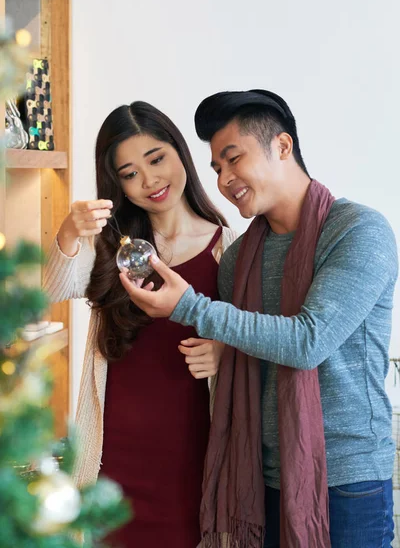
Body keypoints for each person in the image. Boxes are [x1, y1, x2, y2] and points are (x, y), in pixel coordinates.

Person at [119, 90, 398, 548]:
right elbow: (252, 343)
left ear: (282, 147)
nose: (225, 179)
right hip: (263, 478)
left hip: (348, 481)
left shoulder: (359, 230)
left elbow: (308, 341)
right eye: (217, 169)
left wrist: (190, 307)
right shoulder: (239, 259)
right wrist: (220, 348)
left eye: (233, 159)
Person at [43, 100, 237, 548]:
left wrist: (224, 350)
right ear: (118, 185)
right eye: (129, 173)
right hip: (113, 459)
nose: (149, 181)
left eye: (156, 159)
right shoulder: (114, 245)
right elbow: (55, 288)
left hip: (193, 459)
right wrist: (71, 230)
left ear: (180, 153)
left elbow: (253, 338)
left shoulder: (229, 248)